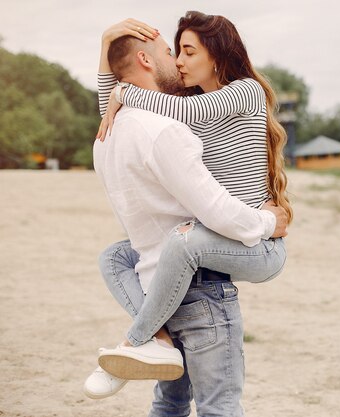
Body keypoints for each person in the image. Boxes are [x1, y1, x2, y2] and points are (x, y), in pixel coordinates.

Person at [85, 14, 291, 417]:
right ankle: (154, 338)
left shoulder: (244, 92)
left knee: (183, 241)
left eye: (188, 51)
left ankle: (136, 341)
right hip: (219, 238)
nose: (178, 60)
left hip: (260, 243)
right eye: (174, 51)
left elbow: (152, 104)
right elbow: (117, 121)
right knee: (116, 256)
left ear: (217, 55)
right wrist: (107, 46)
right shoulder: (176, 108)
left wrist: (124, 92)